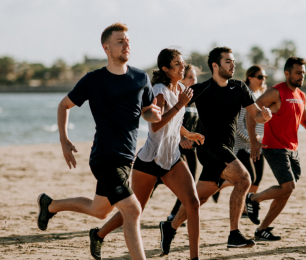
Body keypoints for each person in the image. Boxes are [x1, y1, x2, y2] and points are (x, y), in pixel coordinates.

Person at [36, 23, 162, 260]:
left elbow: (146, 111)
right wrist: (63, 139)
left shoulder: (140, 78)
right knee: (132, 210)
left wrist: (153, 115)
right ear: (106, 48)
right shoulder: (94, 80)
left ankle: (49, 205)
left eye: (127, 41)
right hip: (104, 157)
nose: (126, 45)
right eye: (119, 42)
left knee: (100, 211)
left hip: (126, 157)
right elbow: (64, 105)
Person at [90, 49, 204, 260]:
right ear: (166, 69)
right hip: (150, 160)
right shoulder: (159, 90)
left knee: (193, 203)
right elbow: (156, 126)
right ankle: (98, 234)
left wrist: (188, 133)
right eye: (177, 64)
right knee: (135, 209)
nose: (183, 67)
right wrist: (180, 104)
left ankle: (194, 258)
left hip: (172, 158)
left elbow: (175, 122)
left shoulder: (180, 88)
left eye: (183, 63)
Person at [159, 47, 272, 252]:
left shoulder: (239, 88)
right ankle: (234, 234)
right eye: (228, 61)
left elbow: (255, 115)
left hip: (226, 148)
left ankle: (170, 226)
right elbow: (173, 112)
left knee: (199, 198)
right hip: (209, 147)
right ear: (215, 65)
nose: (233, 64)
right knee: (244, 178)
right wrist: (183, 136)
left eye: (233, 61)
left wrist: (264, 116)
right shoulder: (201, 89)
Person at [245, 57, 306, 241]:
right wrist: (253, 140)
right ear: (287, 73)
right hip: (274, 147)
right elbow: (250, 112)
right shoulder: (275, 92)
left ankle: (262, 230)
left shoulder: (301, 95)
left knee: (287, 190)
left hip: (292, 149)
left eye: (303, 73)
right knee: (288, 186)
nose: (302, 76)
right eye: (298, 73)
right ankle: (253, 199)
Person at [212, 65, 268, 209]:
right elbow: (238, 125)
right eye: (260, 77)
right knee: (250, 177)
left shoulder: (260, 95)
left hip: (258, 143)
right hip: (243, 145)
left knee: (258, 178)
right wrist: (253, 139)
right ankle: (219, 185)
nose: (263, 80)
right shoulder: (246, 95)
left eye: (265, 77)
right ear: (250, 78)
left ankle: (246, 208)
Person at [167, 64, 203, 222]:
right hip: (176, 147)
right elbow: (170, 121)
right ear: (181, 79)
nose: (194, 80)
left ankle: (175, 214)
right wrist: (182, 138)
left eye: (195, 77)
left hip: (191, 148)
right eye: (190, 77)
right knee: (160, 181)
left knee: (190, 184)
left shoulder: (195, 99)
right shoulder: (178, 98)